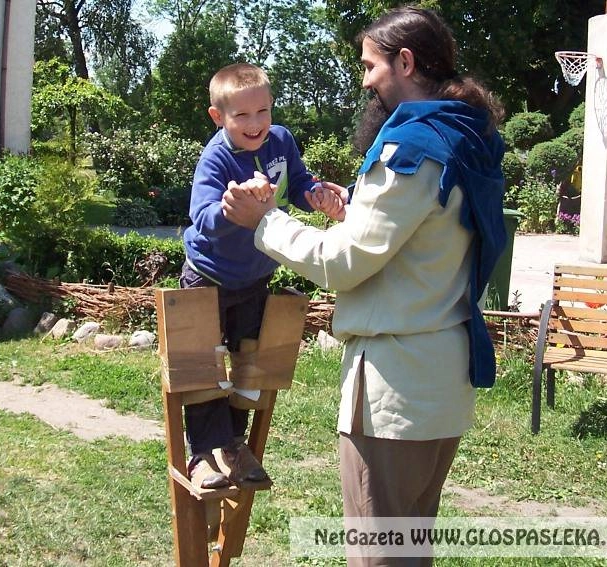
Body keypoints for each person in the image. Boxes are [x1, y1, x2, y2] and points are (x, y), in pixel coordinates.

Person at [222, 7, 506, 565]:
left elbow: (346, 262)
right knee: (409, 550)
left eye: (371, 65)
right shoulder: (464, 136)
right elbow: (427, 236)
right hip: (439, 388)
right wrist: (359, 210)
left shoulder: (411, 147)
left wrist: (266, 221)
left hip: (395, 393)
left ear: (405, 61)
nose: (365, 79)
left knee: (380, 555)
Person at [182, 62, 340, 490]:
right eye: (242, 116)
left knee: (249, 364)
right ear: (219, 117)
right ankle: (200, 455)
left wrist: (317, 195)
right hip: (208, 278)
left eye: (263, 112)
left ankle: (232, 445)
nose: (256, 124)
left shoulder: (282, 141)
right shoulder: (215, 157)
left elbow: (298, 183)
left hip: (254, 278)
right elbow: (202, 218)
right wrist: (233, 206)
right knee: (202, 368)